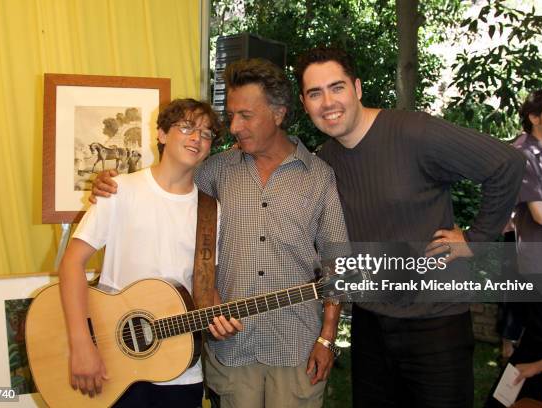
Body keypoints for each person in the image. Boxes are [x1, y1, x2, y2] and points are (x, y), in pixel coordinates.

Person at [91, 59, 350, 408]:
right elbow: (164, 186)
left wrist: (327, 339)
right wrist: (112, 185)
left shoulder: (319, 177)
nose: (234, 126)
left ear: (278, 113)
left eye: (245, 115)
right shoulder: (213, 171)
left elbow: (339, 264)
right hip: (230, 349)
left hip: (296, 347)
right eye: (231, 116)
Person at [294, 46, 526, 407]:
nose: (328, 102)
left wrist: (477, 239)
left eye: (336, 87)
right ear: (304, 103)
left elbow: (506, 164)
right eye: (315, 93)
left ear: (356, 88)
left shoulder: (415, 133)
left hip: (436, 325)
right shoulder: (325, 162)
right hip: (370, 325)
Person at [59, 98, 241, 408]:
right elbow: (71, 265)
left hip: (181, 370)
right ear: (161, 134)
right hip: (113, 362)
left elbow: (204, 285)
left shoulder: (211, 209)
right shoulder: (119, 190)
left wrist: (218, 316)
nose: (197, 138)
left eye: (207, 133)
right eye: (187, 128)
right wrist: (81, 345)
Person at [488, 90, 542, 406]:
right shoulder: (521, 154)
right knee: (536, 338)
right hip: (534, 261)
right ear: (534, 117)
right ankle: (499, 401)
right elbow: (540, 213)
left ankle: (534, 401)